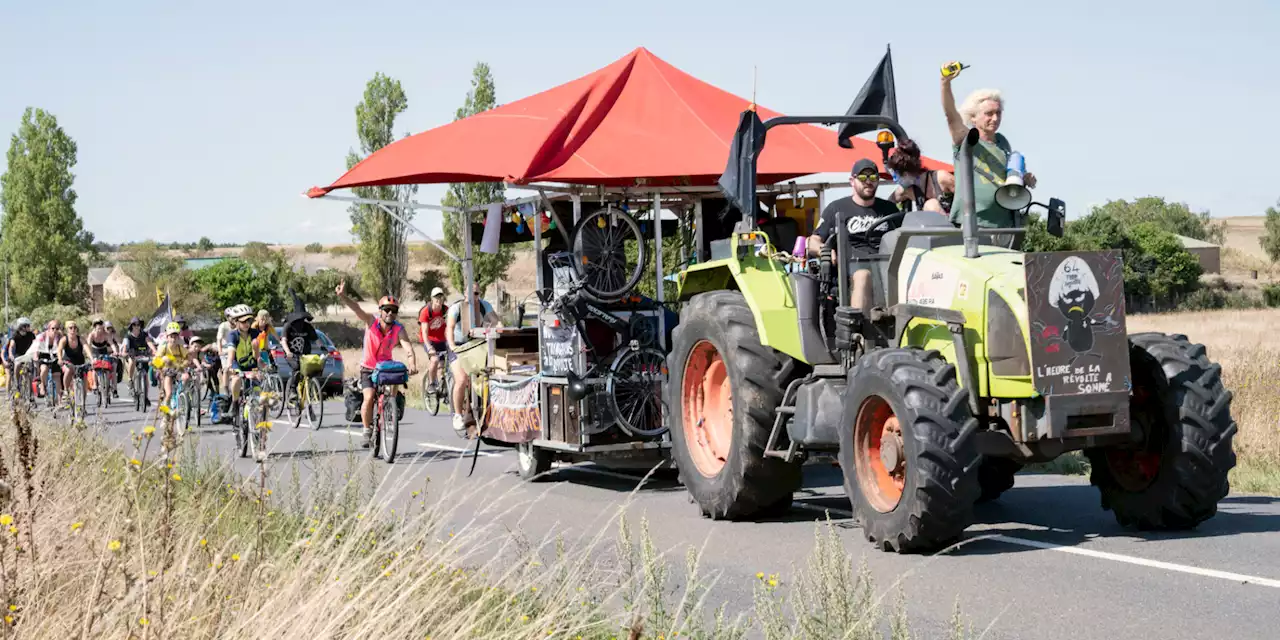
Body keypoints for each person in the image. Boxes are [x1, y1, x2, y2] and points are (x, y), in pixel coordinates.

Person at [941, 63, 1036, 230]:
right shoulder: (966, 139)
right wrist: (945, 83)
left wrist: (1025, 178)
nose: (995, 118)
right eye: (989, 113)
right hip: (972, 225)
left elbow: (1007, 177)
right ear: (973, 117)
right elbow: (951, 116)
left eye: (998, 113)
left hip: (1005, 225)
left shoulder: (1002, 142)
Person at [805, 159, 900, 313]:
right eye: (863, 177)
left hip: (886, 269)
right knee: (863, 276)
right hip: (849, 273)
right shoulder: (836, 208)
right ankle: (858, 331)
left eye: (873, 177)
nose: (868, 182)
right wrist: (825, 250)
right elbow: (812, 241)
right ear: (852, 181)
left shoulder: (889, 209)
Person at [335, 281, 417, 448]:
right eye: (386, 309)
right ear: (380, 311)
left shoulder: (398, 328)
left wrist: (412, 362)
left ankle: (390, 408)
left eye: (394, 311)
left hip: (385, 368)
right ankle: (366, 430)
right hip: (368, 368)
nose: (390, 313)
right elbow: (357, 308)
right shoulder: (371, 321)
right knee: (369, 397)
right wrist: (343, 296)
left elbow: (407, 345)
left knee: (397, 374)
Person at [445, 283, 502, 437]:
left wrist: (495, 326)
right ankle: (457, 414)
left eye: (476, 294)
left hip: (475, 344)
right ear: (465, 294)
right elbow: (449, 328)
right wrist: (452, 345)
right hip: (457, 345)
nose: (473, 297)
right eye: (470, 294)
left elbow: (495, 320)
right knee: (462, 379)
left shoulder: (484, 305)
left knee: (486, 375)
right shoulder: (456, 308)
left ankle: (485, 412)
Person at [885, 138, 955, 214]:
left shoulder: (942, 178)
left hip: (958, 224)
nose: (895, 180)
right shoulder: (907, 191)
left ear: (907, 172)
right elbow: (887, 204)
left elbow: (967, 195)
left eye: (897, 175)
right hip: (929, 225)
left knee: (931, 205)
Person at [281, 293, 319, 409]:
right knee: (296, 368)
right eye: (299, 319)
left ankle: (308, 398)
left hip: (305, 355)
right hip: (291, 354)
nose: (301, 321)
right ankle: (292, 391)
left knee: (311, 371)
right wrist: (288, 352)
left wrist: (323, 348)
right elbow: (283, 340)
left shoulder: (308, 327)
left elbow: (317, 340)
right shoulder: (288, 326)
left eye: (302, 319)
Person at [221, 305, 261, 408]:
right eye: (243, 321)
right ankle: (234, 403)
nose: (247, 324)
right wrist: (229, 364)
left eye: (249, 320)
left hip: (252, 365)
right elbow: (231, 352)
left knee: (258, 392)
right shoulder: (233, 335)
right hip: (237, 364)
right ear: (236, 322)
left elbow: (258, 356)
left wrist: (256, 348)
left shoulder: (255, 333)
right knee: (236, 380)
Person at [152, 322, 195, 409]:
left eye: (175, 337)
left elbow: (188, 357)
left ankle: (183, 395)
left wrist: (186, 362)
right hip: (167, 372)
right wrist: (163, 360)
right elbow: (156, 360)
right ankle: (166, 407)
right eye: (171, 337)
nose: (173, 339)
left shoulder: (180, 348)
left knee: (186, 377)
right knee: (168, 393)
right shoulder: (163, 347)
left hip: (179, 369)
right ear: (167, 337)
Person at [418, 287, 449, 394]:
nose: (439, 299)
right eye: (436, 297)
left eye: (441, 296)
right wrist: (429, 347)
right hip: (428, 340)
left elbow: (450, 327)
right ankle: (431, 384)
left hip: (442, 339)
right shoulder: (426, 312)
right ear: (432, 298)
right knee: (435, 360)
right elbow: (425, 333)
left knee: (443, 365)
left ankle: (444, 388)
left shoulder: (446, 310)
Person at [121, 317, 157, 402]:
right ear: (131, 326)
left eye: (138, 324)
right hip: (132, 355)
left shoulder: (144, 334)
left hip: (143, 355)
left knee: (145, 376)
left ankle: (146, 396)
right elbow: (125, 348)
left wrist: (155, 351)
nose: (137, 326)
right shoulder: (128, 335)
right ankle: (130, 380)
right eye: (134, 324)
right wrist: (124, 352)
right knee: (131, 361)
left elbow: (149, 343)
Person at [57, 320, 92, 401]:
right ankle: (66, 391)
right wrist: (60, 359)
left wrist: (92, 359)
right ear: (67, 330)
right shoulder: (64, 339)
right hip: (68, 362)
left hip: (80, 362)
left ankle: (83, 405)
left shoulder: (81, 339)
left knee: (84, 384)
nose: (73, 329)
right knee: (68, 370)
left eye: (75, 328)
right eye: (70, 328)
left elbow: (87, 349)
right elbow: (59, 350)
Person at [33, 320, 63, 398]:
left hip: (55, 354)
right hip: (44, 353)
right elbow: (36, 348)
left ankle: (59, 400)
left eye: (57, 328)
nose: (55, 330)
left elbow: (63, 348)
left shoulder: (60, 336)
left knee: (57, 376)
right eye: (53, 328)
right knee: (44, 369)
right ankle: (43, 385)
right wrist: (36, 356)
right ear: (48, 329)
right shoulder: (42, 336)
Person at [215, 308, 235, 394]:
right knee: (226, 369)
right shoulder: (223, 326)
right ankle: (226, 388)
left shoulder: (238, 325)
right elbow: (219, 339)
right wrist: (220, 351)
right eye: (231, 317)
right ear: (227, 317)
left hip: (235, 349)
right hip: (225, 349)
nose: (234, 318)